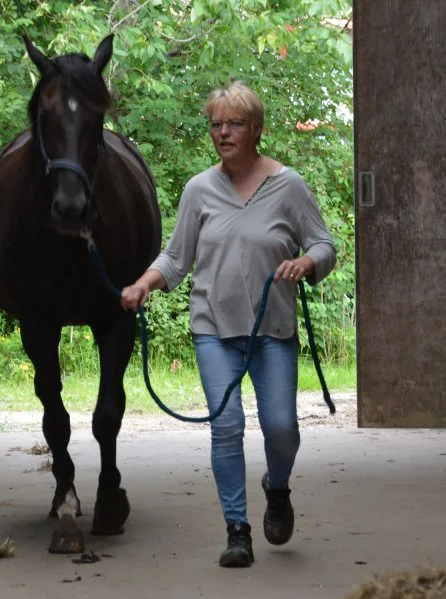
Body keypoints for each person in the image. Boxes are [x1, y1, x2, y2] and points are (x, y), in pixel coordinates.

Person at [119, 81, 337, 568]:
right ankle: (237, 530)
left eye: (234, 123)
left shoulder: (290, 187)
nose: (223, 132)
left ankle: (276, 488)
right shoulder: (199, 190)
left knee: (282, 429)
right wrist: (142, 285)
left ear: (256, 129)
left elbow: (325, 245)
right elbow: (176, 258)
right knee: (227, 426)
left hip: (272, 331)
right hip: (213, 329)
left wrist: (306, 263)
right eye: (216, 124)